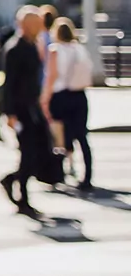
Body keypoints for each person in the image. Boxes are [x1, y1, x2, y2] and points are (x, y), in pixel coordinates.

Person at [0, 6, 49, 219]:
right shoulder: (15, 48)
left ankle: (14, 181)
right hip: (21, 109)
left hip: (33, 107)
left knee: (36, 152)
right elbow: (9, 84)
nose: (40, 28)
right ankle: (23, 197)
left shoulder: (31, 45)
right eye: (36, 24)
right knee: (27, 153)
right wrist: (10, 114)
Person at [43, 17, 94, 191]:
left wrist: (44, 97)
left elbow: (51, 76)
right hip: (79, 95)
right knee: (81, 136)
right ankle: (87, 176)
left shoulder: (55, 50)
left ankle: (58, 173)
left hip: (60, 95)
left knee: (59, 137)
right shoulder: (79, 49)